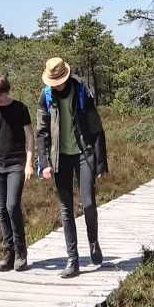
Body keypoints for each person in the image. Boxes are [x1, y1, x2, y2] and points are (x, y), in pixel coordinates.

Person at [35, 56, 108, 279]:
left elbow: (96, 127)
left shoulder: (81, 91)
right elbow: (41, 132)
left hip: (83, 153)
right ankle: (72, 259)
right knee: (66, 209)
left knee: (88, 203)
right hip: (60, 158)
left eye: (58, 79)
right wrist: (44, 163)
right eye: (52, 81)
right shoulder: (45, 96)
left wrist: (100, 162)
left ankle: (93, 241)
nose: (56, 84)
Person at [0, 74, 33, 272]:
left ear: (6, 91)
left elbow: (29, 137)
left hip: (16, 164)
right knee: (1, 210)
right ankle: (8, 255)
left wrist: (29, 164)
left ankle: (21, 253)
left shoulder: (20, 109)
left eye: (0, 95)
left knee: (12, 206)